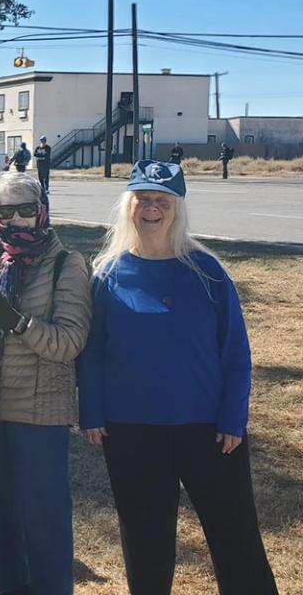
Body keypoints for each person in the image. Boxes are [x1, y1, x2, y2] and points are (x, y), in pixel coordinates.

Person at [77, 160, 278, 595]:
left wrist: (232, 418)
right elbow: (91, 352)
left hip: (206, 427)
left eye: (162, 200)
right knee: (146, 538)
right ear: (129, 206)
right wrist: (91, 410)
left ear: (177, 207)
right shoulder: (108, 275)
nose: (151, 208)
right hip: (132, 428)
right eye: (142, 199)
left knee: (235, 533)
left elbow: (236, 354)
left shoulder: (208, 272)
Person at [0, 171, 91, 595]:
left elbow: (69, 343)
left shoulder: (67, 264)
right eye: (6, 211)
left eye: (25, 209)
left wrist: (18, 323)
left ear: (41, 211)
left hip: (41, 415)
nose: (17, 220)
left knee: (44, 521)